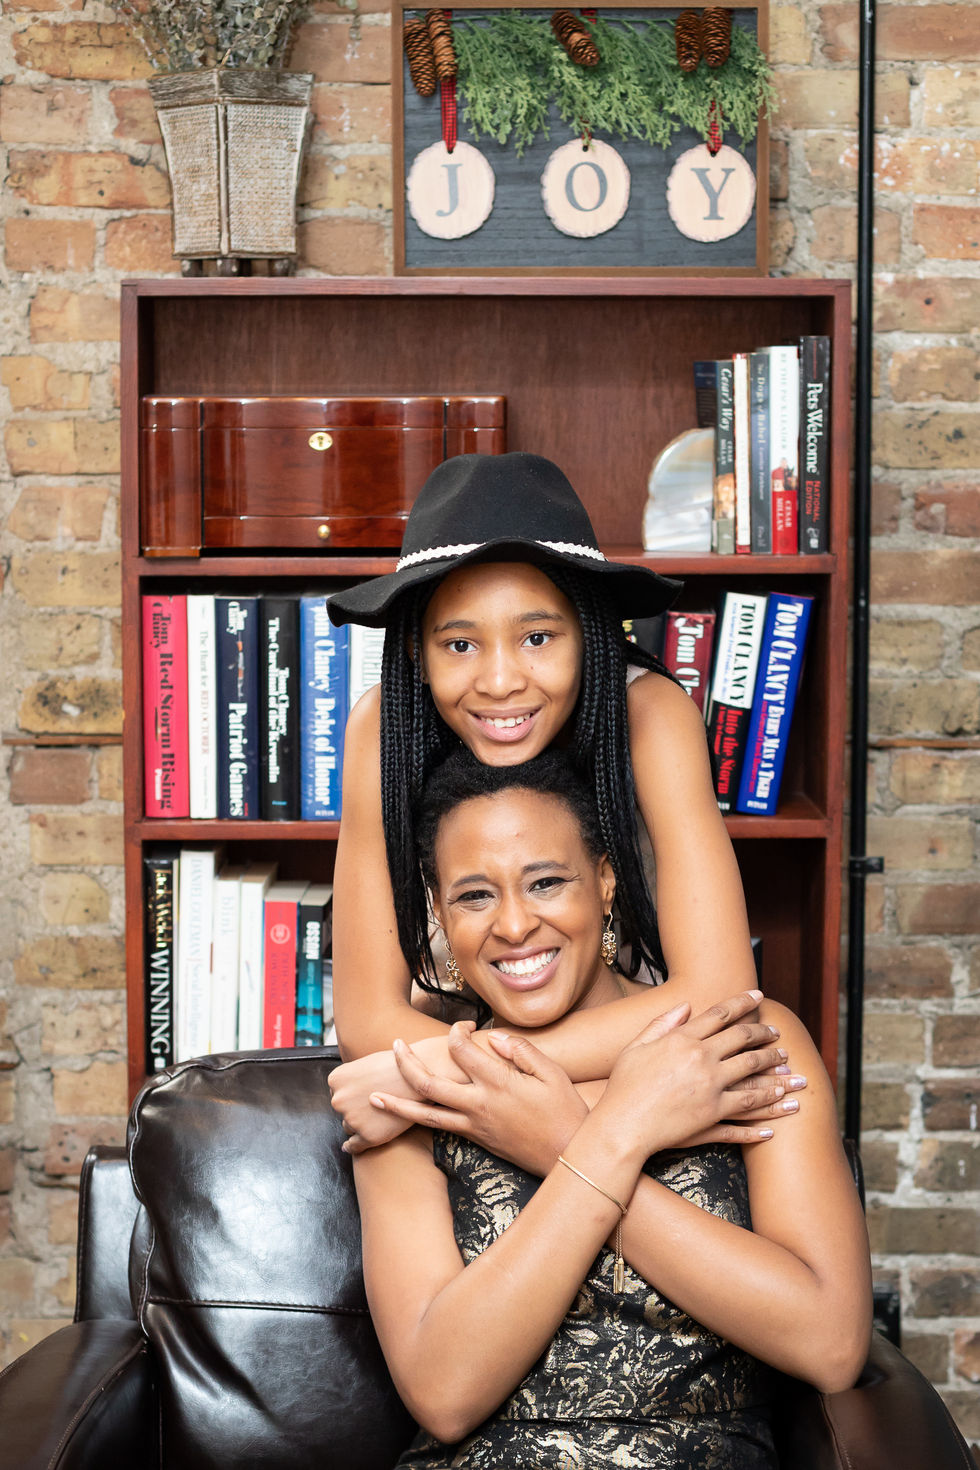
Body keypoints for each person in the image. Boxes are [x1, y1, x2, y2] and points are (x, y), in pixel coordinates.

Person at [350, 748, 872, 1469]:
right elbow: (444, 1394)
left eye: (546, 882)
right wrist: (616, 1134)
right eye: (474, 896)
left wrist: (560, 1138)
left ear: (604, 880)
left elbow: (831, 1344)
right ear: (439, 911)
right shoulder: (410, 1089)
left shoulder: (739, 1042)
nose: (514, 925)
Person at [328, 452, 799, 1146]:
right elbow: (368, 1023)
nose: (499, 681)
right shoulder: (382, 729)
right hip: (512, 1048)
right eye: (459, 645)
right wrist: (515, 1092)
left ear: (590, 635)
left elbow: (719, 990)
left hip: (634, 1050)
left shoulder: (650, 714)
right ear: (416, 655)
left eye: (538, 638)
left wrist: (446, 1073)